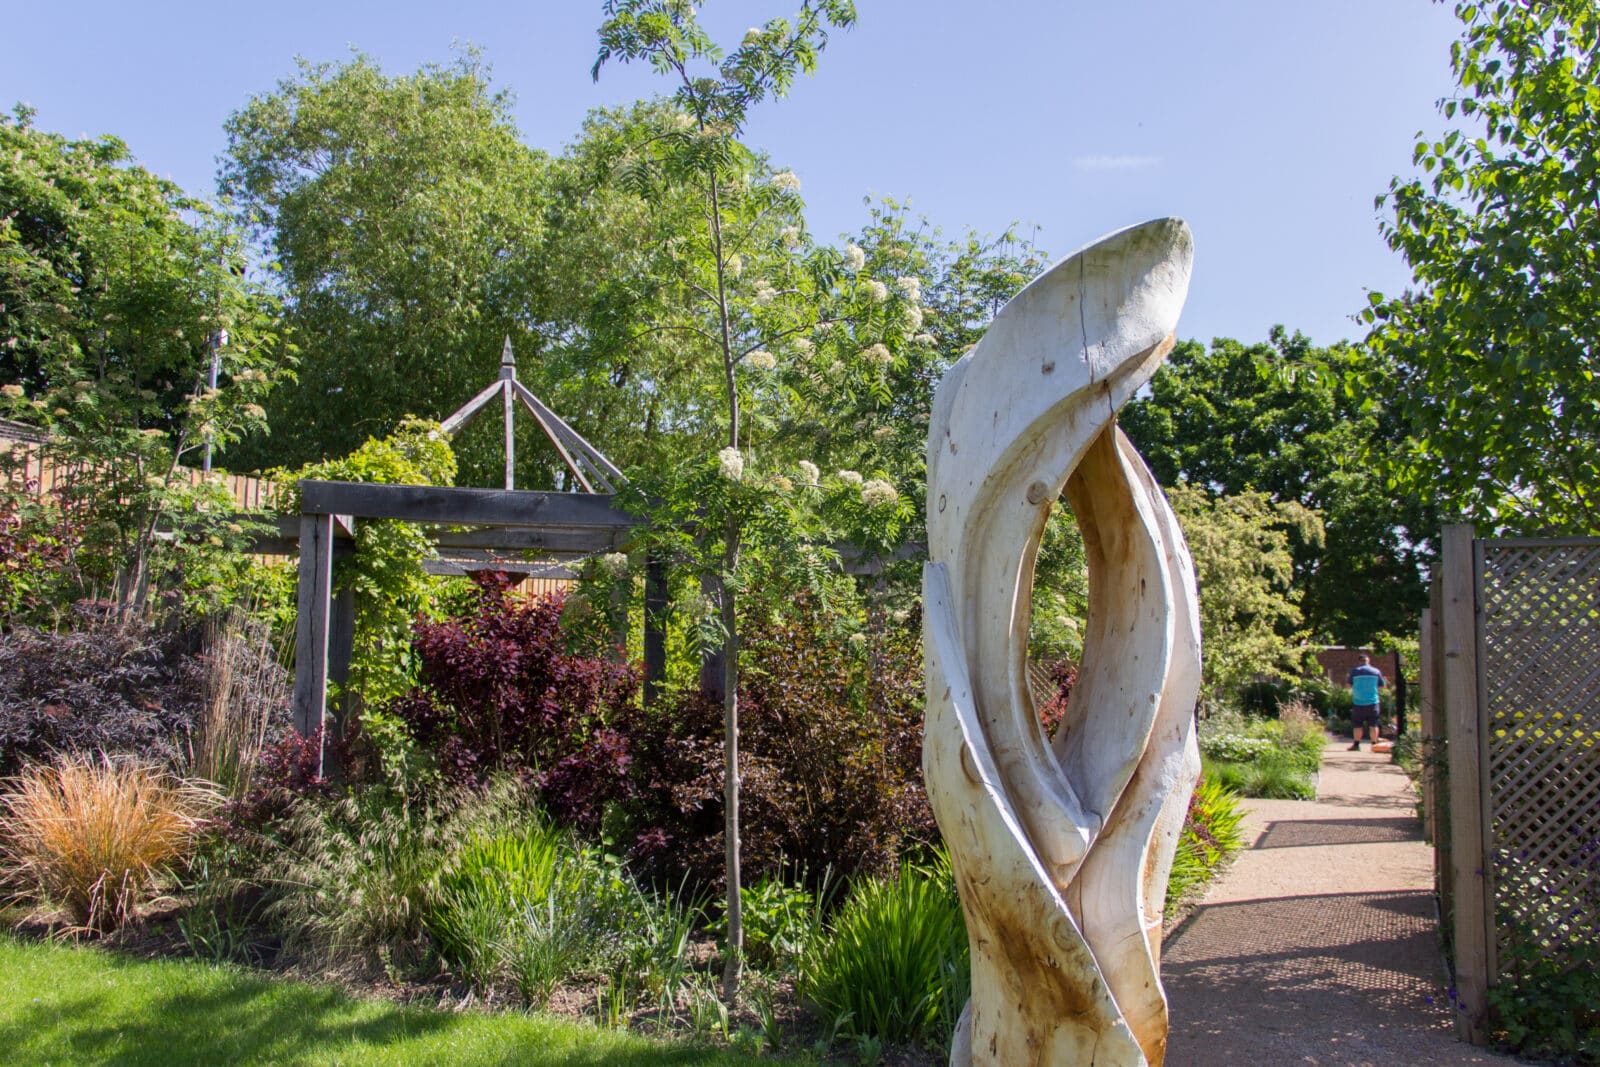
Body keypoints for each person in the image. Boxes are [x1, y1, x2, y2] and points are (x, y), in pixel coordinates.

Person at [1347, 653, 1388, 751]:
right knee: (1373, 724)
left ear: (1359, 661)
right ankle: (1374, 745)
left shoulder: (1354, 671)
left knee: (1357, 724)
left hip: (1358, 702)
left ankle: (1356, 745)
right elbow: (1382, 685)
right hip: (1373, 702)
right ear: (1368, 661)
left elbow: (1349, 685)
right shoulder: (1376, 671)